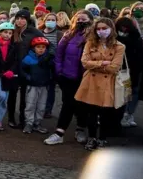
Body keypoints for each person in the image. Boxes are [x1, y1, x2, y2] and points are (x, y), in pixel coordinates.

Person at [43, 10, 93, 145]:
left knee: (82, 105)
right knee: (68, 104)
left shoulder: (93, 37)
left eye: (84, 19)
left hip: (86, 77)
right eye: (78, 19)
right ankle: (59, 133)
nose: (81, 22)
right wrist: (59, 71)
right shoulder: (68, 35)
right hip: (68, 76)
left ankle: (80, 128)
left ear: (90, 20)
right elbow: (59, 55)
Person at [75, 18, 125, 150]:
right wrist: (102, 63)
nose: (101, 31)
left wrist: (94, 65)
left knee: (105, 113)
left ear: (111, 29)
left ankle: (102, 138)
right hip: (91, 81)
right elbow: (85, 62)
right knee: (91, 112)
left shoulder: (119, 46)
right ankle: (91, 138)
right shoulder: (90, 43)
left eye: (104, 28)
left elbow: (114, 67)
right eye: (98, 29)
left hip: (107, 82)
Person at [7, 9, 43, 129]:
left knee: (25, 96)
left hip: (28, 67)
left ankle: (23, 119)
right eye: (18, 18)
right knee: (12, 94)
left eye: (22, 18)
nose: (20, 21)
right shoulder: (11, 31)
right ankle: (11, 118)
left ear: (27, 19)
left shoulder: (34, 32)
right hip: (12, 67)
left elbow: (45, 45)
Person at [20, 37, 53, 134]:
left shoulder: (48, 59)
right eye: (38, 47)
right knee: (30, 104)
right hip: (32, 85)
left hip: (44, 86)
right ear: (33, 48)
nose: (41, 49)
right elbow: (22, 70)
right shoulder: (28, 58)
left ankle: (37, 123)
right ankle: (29, 123)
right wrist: (28, 77)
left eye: (43, 47)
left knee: (41, 106)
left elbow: (52, 69)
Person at [116, 17, 143, 128]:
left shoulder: (136, 38)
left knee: (130, 93)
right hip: (118, 69)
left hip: (132, 71)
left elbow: (140, 55)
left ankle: (127, 114)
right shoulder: (114, 37)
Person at [38, 13, 63, 118]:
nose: (51, 21)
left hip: (53, 64)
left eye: (53, 20)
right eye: (49, 19)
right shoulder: (39, 32)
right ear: (44, 20)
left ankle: (47, 109)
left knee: (50, 88)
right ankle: (38, 107)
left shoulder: (60, 34)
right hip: (40, 63)